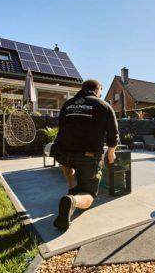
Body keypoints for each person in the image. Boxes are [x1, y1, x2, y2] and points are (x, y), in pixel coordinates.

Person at [51, 79, 119, 230]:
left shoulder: (67, 104)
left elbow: (62, 126)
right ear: (97, 90)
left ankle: (71, 187)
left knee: (67, 162)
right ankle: (73, 200)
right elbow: (113, 134)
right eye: (101, 90)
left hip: (62, 152)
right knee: (89, 195)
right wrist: (111, 152)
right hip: (88, 155)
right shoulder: (103, 106)